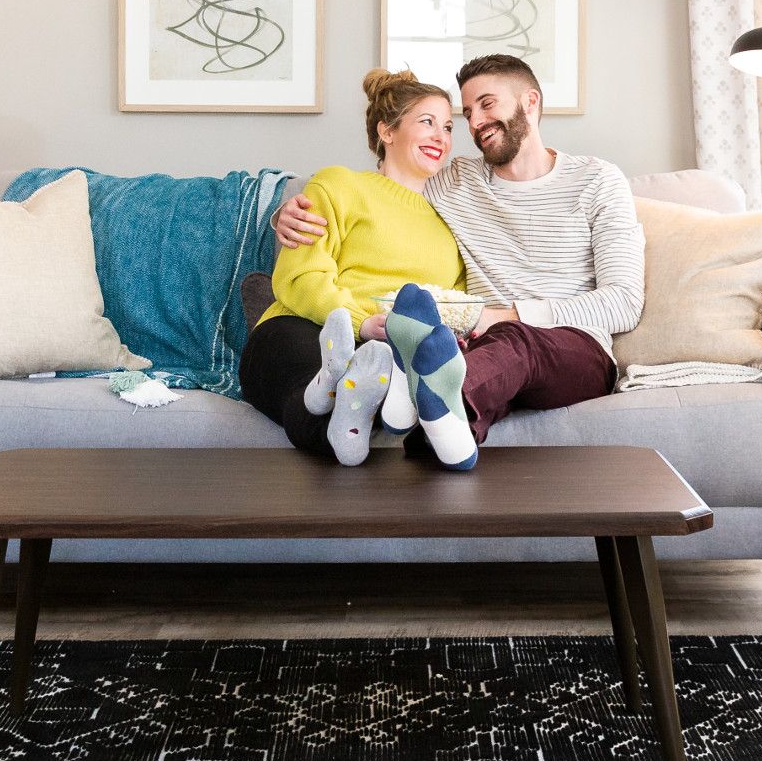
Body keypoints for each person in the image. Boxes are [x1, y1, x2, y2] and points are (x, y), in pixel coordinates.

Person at [274, 53, 644, 466]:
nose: (476, 123)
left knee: (512, 343)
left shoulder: (597, 180)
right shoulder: (456, 182)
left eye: (487, 104)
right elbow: (385, 192)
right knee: (461, 352)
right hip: (477, 348)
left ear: (530, 101)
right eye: (467, 114)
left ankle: (421, 394)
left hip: (573, 348)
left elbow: (624, 302)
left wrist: (507, 316)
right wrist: (288, 212)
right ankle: (440, 435)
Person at [239, 69, 468, 467]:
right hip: (305, 326)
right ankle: (329, 381)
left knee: (363, 389)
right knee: (306, 369)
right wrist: (362, 321)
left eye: (448, 127)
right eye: (427, 122)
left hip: (390, 351)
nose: (441, 137)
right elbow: (299, 277)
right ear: (387, 131)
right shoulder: (338, 185)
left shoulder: (452, 222)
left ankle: (339, 395)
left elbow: (453, 307)